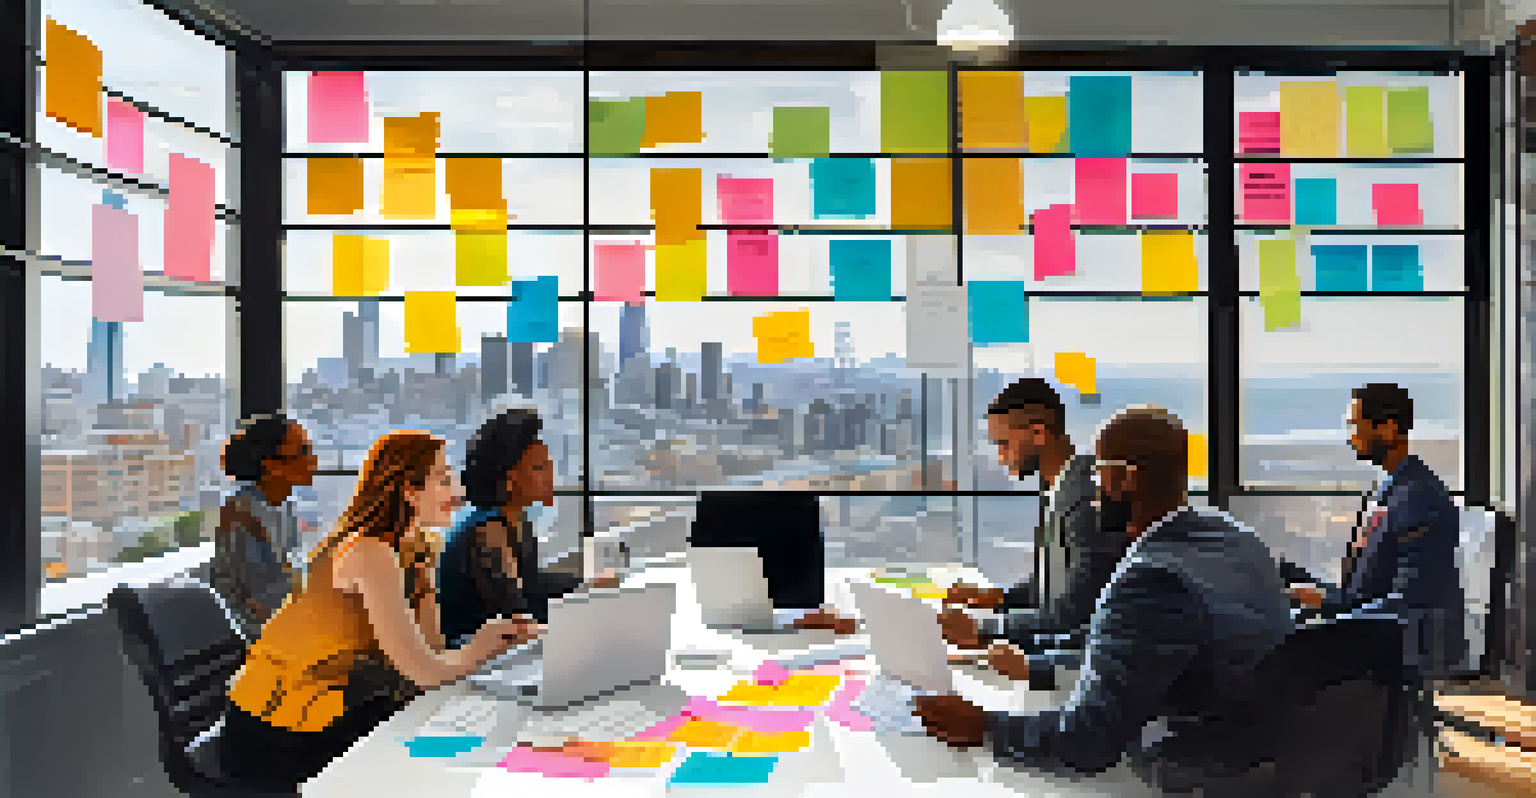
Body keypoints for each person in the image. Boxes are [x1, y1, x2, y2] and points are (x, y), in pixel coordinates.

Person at [914, 406, 1293, 781]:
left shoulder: (1152, 578)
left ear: (1124, 478)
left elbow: (1088, 741)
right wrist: (1037, 666)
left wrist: (983, 725)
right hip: (1264, 758)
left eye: (1097, 471)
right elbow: (1130, 643)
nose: (1092, 487)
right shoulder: (1236, 537)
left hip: (1191, 770)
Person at [219, 431, 540, 791]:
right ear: (409, 490)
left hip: (328, 709)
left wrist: (495, 637)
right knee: (448, 761)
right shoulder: (367, 551)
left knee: (461, 742)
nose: (458, 493)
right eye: (444, 479)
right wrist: (479, 647)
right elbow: (426, 673)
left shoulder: (411, 549)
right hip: (277, 731)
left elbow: (430, 652)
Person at [1285, 383, 1466, 679]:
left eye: (1356, 426)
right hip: (1374, 626)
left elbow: (1410, 600)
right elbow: (1368, 590)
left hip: (1397, 646)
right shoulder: (1391, 490)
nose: (1350, 437)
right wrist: (1319, 595)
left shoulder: (1418, 497)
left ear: (1389, 429)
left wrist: (1329, 607)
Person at [939, 379, 1121, 669]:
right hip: (1048, 648)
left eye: (1004, 443)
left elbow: (1073, 614)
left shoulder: (1088, 499)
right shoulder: (1058, 486)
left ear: (1038, 432)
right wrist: (998, 597)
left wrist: (984, 628)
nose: (1000, 457)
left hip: (1071, 665)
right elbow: (1051, 584)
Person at [438, 409, 616, 648]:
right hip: (474, 661)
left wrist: (586, 586)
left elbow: (530, 584)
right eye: (540, 467)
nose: (551, 473)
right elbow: (514, 617)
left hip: (504, 651)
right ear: (510, 479)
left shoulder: (516, 518)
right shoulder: (487, 532)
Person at [211, 413, 318, 640]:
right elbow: (256, 597)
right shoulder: (240, 512)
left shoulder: (285, 506)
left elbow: (287, 569)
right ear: (271, 466)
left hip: (280, 618)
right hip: (248, 632)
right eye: (303, 452)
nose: (313, 460)